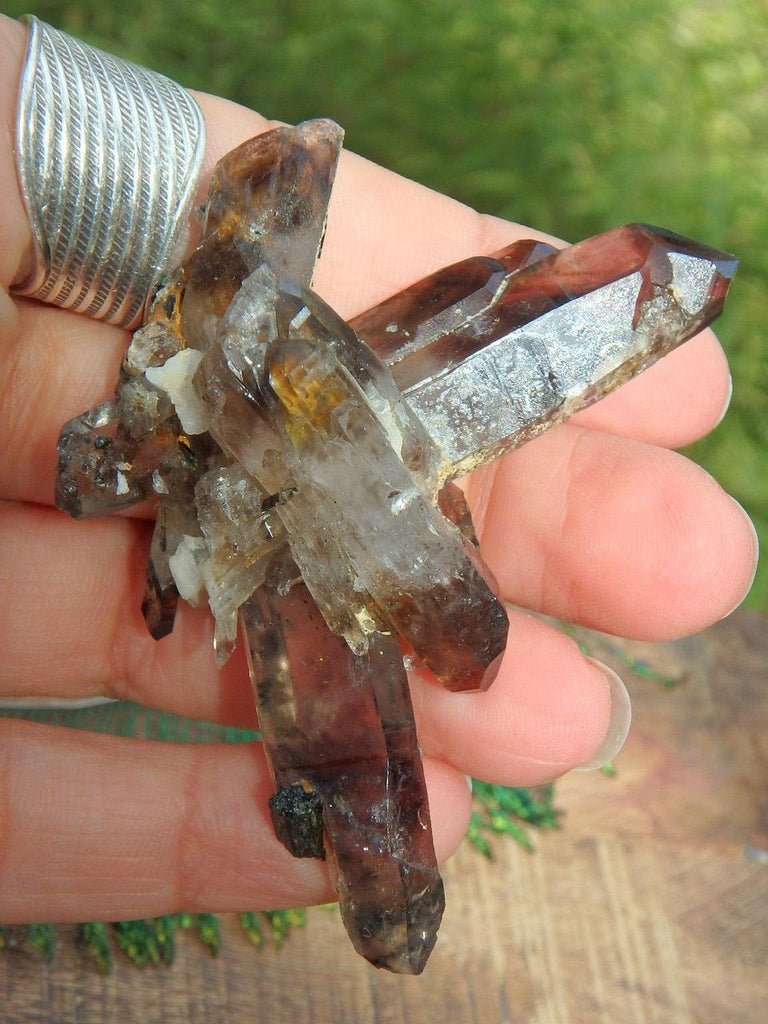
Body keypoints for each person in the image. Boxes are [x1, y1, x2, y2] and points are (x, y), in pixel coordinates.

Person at [0, 13, 757, 925]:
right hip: (266, 469)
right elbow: (461, 639)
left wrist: (44, 128)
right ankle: (385, 891)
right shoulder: (246, 377)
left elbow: (460, 634)